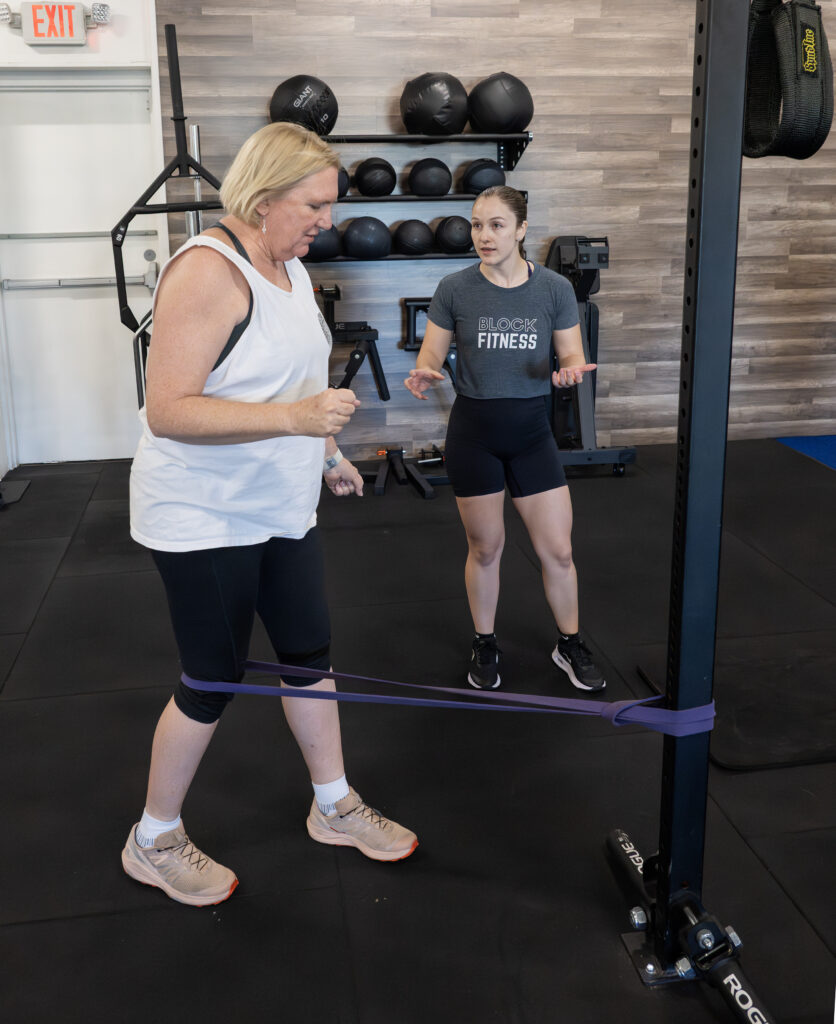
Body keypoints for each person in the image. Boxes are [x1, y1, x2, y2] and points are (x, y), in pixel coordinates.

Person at [123, 122, 417, 908]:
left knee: (308, 655)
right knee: (211, 677)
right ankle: (152, 838)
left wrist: (327, 457)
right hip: (204, 514)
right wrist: (297, 422)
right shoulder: (207, 273)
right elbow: (168, 411)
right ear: (263, 197)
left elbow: (284, 383)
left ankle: (333, 806)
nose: (328, 219)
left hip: (281, 507)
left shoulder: (289, 272)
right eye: (315, 204)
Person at [404, 185, 605, 694]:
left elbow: (570, 357)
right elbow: (431, 355)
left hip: (532, 432)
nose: (484, 235)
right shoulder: (454, 288)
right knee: (486, 547)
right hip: (474, 434)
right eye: (476, 224)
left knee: (558, 550)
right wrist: (425, 373)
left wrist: (566, 375)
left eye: (496, 224)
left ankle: (570, 642)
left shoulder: (555, 290)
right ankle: (484, 639)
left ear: (520, 230)